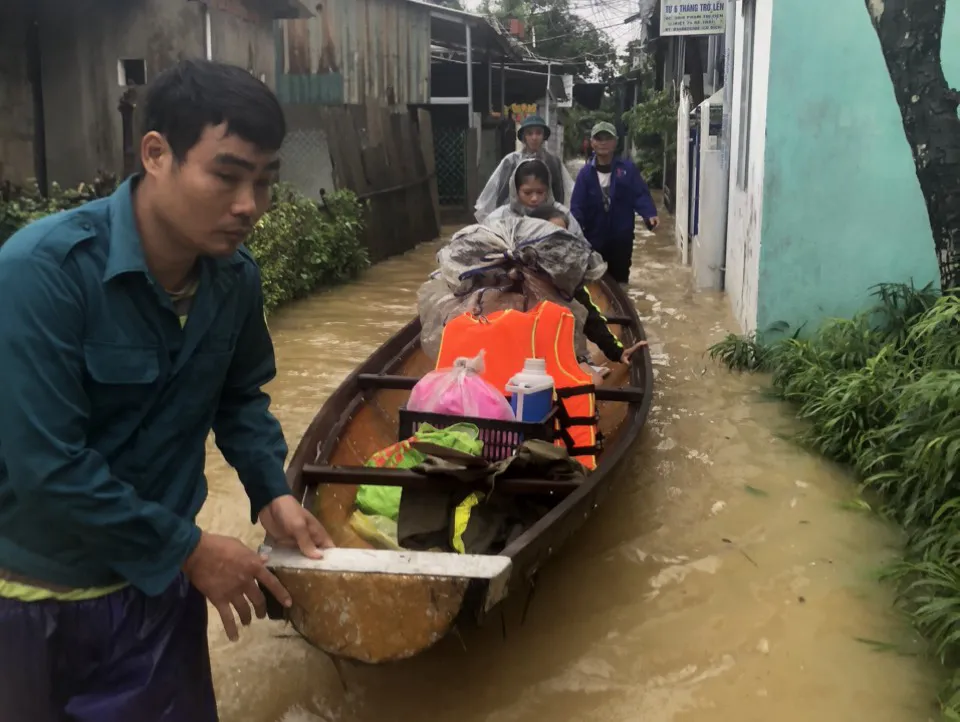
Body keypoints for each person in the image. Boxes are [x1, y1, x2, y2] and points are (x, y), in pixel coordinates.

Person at [0, 59, 334, 721]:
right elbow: (47, 466)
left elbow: (238, 397)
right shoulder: (43, 274)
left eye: (265, 182)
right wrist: (192, 548)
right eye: (227, 176)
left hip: (160, 591)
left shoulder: (233, 280)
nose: (250, 206)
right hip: (35, 605)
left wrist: (270, 488)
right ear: (156, 153)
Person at [529, 205, 648, 368]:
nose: (559, 242)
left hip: (560, 354)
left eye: (563, 235)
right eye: (551, 234)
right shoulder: (518, 272)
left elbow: (589, 315)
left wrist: (617, 351)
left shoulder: (569, 273)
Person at [570, 122, 660, 286]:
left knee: (620, 281)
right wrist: (574, 230)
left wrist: (649, 214)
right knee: (595, 281)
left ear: (615, 142)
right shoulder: (585, 174)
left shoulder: (628, 170)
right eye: (599, 138)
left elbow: (640, 195)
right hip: (594, 238)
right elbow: (577, 206)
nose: (603, 143)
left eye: (607, 138)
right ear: (592, 143)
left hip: (621, 238)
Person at [474, 115, 574, 223]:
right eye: (530, 133)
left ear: (544, 136)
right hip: (513, 219)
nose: (534, 137)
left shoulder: (553, 162)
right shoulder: (511, 161)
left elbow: (568, 192)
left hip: (546, 219)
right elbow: (494, 189)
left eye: (538, 133)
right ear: (523, 136)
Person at [485, 157, 583, 237]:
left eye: (540, 192)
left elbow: (581, 248)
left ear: (548, 190)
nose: (534, 198)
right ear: (516, 191)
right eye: (527, 193)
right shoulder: (499, 218)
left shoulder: (563, 215)